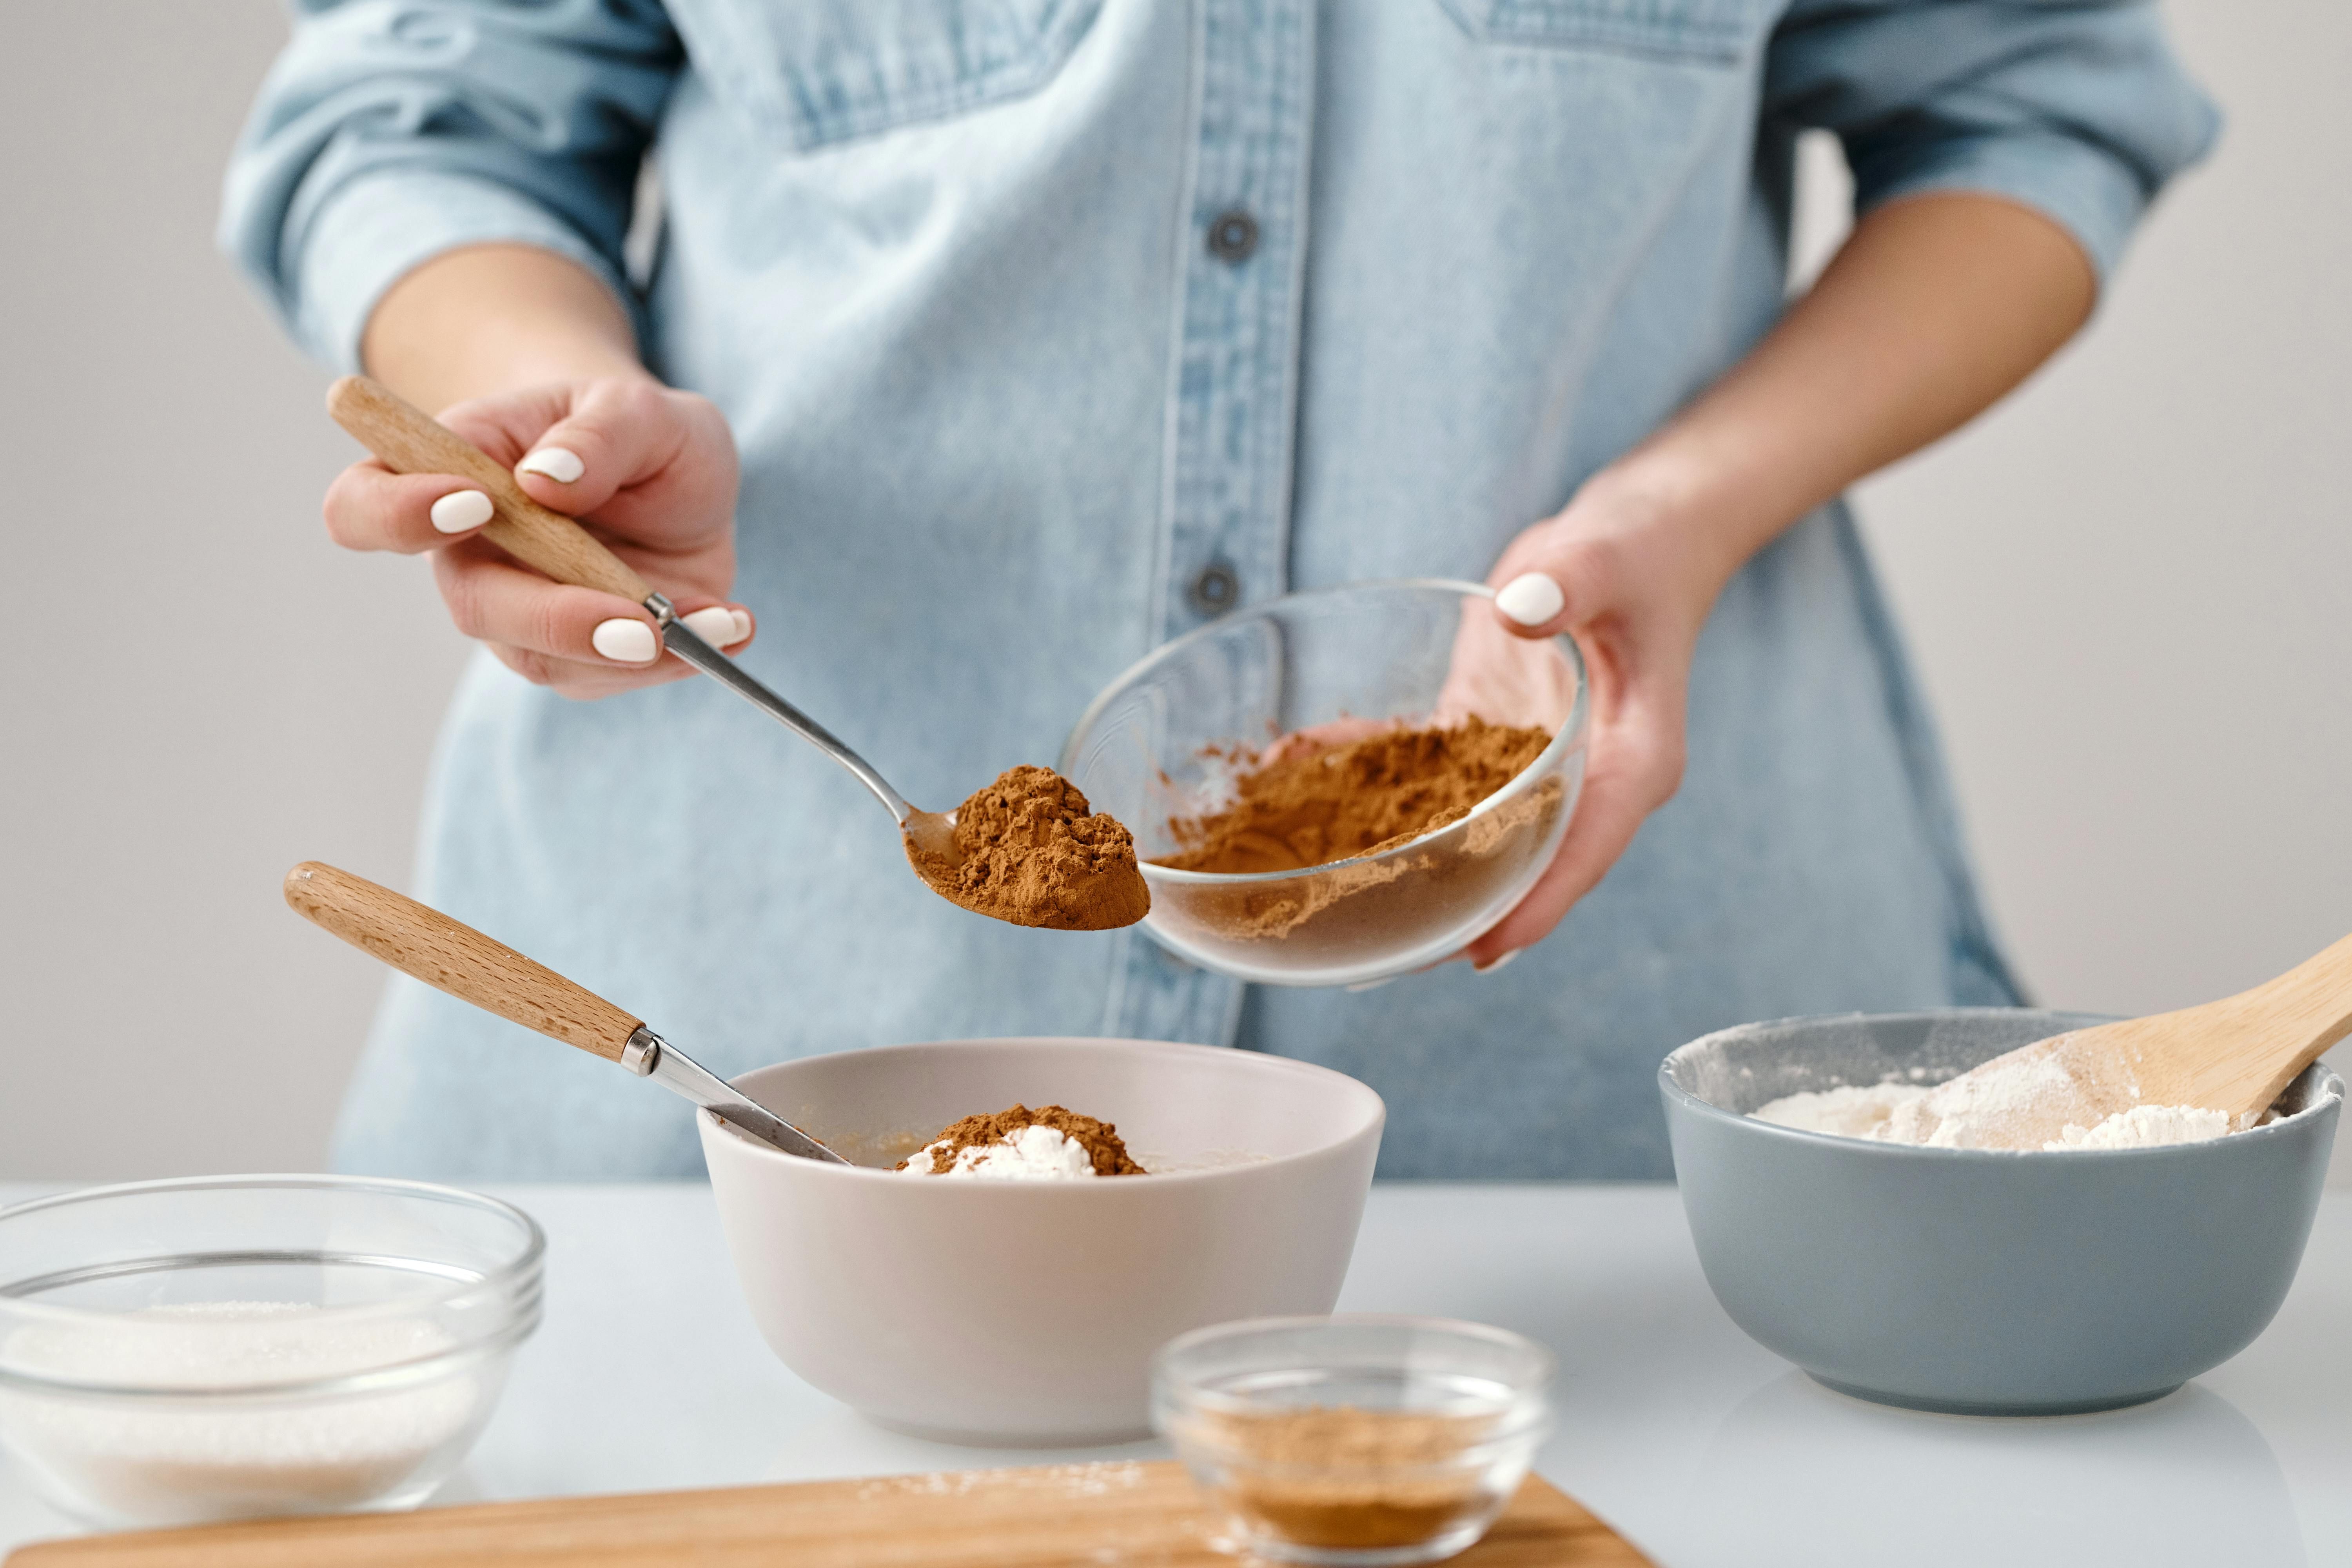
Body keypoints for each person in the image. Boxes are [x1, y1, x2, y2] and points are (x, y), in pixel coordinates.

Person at [223, 0, 2214, 1180]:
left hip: (1569, 1114)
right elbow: (422, 112)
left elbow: (2036, 115)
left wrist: (1688, 505)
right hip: (734, 1068)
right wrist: (551, 412)